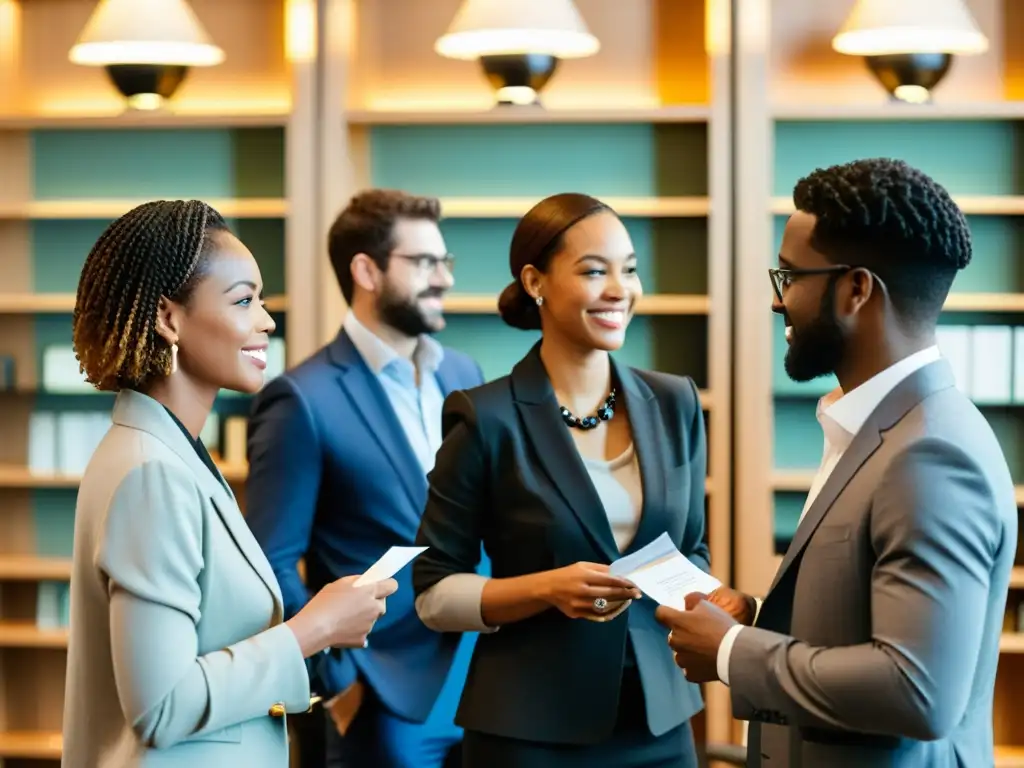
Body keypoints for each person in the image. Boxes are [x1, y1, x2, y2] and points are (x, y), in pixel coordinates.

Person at [654, 158, 1017, 767]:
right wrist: (758, 620)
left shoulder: (931, 455)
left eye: (790, 276)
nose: (778, 303)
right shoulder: (881, 426)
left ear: (856, 289)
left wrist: (733, 652)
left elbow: (917, 690)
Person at [61, 200, 397, 768]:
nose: (266, 320)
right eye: (243, 300)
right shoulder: (153, 473)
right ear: (169, 319)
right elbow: (162, 706)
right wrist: (312, 630)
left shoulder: (176, 453)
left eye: (261, 300)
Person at [411, 192, 710, 768]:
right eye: (594, 271)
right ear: (535, 281)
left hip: (660, 724)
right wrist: (547, 588)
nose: (619, 289)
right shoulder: (484, 417)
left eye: (629, 270)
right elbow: (433, 594)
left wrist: (711, 595)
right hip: (528, 731)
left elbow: (689, 550)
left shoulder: (676, 402)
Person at [244, 189, 486, 768]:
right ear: (366, 270)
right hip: (381, 700)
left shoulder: (463, 372)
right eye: (424, 263)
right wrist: (341, 682)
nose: (444, 278)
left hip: (484, 680)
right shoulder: (302, 398)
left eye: (444, 262)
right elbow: (270, 563)